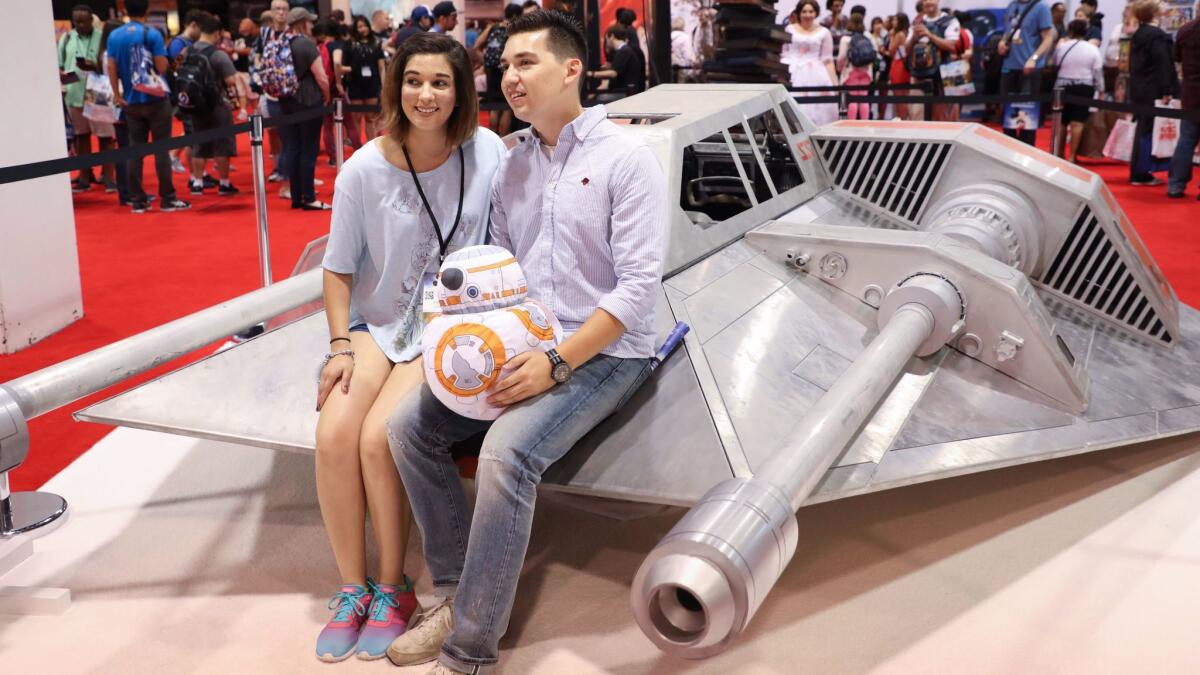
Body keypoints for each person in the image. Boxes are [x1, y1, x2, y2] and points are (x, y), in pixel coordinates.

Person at [385, 11, 667, 674]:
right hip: (525, 340)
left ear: (572, 69)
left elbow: (634, 293)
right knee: (408, 426)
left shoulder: (626, 159)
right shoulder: (511, 164)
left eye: (526, 63)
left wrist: (555, 361)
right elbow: (503, 270)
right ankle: (458, 589)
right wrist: (470, 337)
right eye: (505, 65)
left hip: (606, 351)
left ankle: (469, 649)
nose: (511, 77)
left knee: (508, 453)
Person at [314, 31, 504, 663]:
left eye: (441, 82)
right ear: (396, 86)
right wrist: (340, 345)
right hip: (377, 324)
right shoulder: (363, 168)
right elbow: (338, 267)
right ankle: (353, 586)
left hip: (447, 326)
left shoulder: (488, 153)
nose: (426, 94)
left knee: (381, 435)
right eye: (415, 80)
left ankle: (393, 587)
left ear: (461, 92)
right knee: (336, 431)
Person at [106, 0, 189, 213]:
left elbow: (111, 66)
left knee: (136, 150)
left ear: (124, 10)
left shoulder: (115, 35)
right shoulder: (152, 34)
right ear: (148, 10)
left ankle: (137, 200)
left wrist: (117, 94)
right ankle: (167, 198)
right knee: (161, 149)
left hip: (131, 101)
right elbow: (161, 67)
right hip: (155, 99)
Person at [278, 7, 332, 210]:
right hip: (309, 101)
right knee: (309, 149)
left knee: (293, 148)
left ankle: (296, 196)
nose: (312, 25)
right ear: (302, 23)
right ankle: (309, 197)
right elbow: (321, 77)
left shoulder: (281, 42)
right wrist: (326, 97)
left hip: (286, 101)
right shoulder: (306, 45)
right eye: (309, 22)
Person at [186, 12, 242, 197]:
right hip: (217, 105)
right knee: (222, 144)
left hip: (194, 105)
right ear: (217, 33)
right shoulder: (218, 54)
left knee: (198, 144)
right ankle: (224, 183)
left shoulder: (188, 51)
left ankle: (197, 181)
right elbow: (231, 80)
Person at [59, 5, 112, 193]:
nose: (80, 25)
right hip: (74, 94)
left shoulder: (103, 38)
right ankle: (84, 176)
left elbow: (109, 64)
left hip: (99, 94)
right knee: (81, 137)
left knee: (105, 137)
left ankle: (108, 176)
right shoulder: (66, 38)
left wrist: (94, 66)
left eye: (84, 21)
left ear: (92, 20)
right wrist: (63, 75)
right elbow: (59, 64)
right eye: (76, 22)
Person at [1127, 0, 1179, 186]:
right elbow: (1163, 64)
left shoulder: (1139, 34)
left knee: (1143, 128)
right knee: (1147, 131)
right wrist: (1167, 89)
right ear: (1154, 12)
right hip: (1153, 89)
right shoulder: (1158, 36)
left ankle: (1139, 170)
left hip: (1139, 87)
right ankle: (1142, 173)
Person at [997, 0, 1055, 145]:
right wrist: (1002, 42)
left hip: (1029, 68)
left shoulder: (1041, 7)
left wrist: (1034, 58)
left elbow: (1048, 38)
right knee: (1007, 117)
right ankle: (1007, 149)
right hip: (1009, 66)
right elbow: (1008, 31)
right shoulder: (1012, 6)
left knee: (1028, 118)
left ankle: (1026, 153)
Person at [1053, 18, 1104, 161]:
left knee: (1062, 121)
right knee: (1078, 122)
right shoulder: (1092, 49)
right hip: (1084, 87)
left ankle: (1059, 153)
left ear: (1070, 31)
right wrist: (1101, 90)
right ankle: (1072, 156)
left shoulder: (1061, 47)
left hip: (1062, 85)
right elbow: (1098, 72)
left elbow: (1055, 63)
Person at [784, 0, 839, 126]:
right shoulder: (789, 29)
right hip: (791, 70)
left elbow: (828, 60)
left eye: (811, 11)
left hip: (816, 73)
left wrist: (835, 84)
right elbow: (784, 52)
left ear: (816, 13)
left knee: (817, 109)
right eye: (804, 11)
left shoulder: (824, 32)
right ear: (799, 13)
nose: (807, 15)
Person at [336, 15, 386, 144]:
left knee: (371, 118)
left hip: (372, 85)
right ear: (355, 28)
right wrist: (345, 74)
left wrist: (384, 86)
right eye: (359, 26)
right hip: (354, 84)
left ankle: (372, 148)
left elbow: (381, 67)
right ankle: (358, 149)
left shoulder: (376, 43)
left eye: (365, 26)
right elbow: (341, 66)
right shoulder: (349, 44)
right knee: (356, 118)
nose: (363, 29)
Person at [907, 0, 960, 121]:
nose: (928, 2)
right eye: (925, 0)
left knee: (949, 116)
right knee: (917, 115)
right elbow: (907, 48)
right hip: (920, 72)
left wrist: (929, 35)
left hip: (949, 70)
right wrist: (914, 37)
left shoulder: (951, 20)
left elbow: (951, 46)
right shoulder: (917, 22)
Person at [475, 4, 523, 133]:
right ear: (515, 16)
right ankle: (504, 139)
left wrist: (485, 63)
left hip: (491, 72)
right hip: (505, 70)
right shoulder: (513, 30)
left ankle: (493, 136)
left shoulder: (493, 28)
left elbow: (477, 46)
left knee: (494, 108)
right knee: (507, 107)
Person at [1167, 14, 1199, 199]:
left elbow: (1176, 57)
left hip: (1191, 93)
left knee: (1186, 141)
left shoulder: (1185, 30)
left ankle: (1175, 184)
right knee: (1186, 140)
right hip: (1191, 93)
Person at [837, 13, 879, 119]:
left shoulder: (845, 39)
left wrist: (839, 69)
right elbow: (875, 55)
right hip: (866, 72)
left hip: (850, 72)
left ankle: (851, 125)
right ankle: (864, 124)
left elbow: (841, 57)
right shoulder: (869, 38)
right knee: (863, 99)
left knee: (852, 100)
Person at [587, 25, 646, 97]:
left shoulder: (624, 51)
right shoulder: (624, 50)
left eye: (606, 39)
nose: (606, 43)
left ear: (611, 36)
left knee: (600, 98)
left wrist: (591, 74)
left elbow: (613, 73)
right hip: (623, 91)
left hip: (623, 93)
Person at [887, 12, 913, 120]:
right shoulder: (907, 33)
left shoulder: (898, 34)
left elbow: (891, 50)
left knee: (899, 95)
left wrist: (891, 36)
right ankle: (906, 118)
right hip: (905, 65)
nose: (893, 22)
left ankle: (902, 119)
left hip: (898, 66)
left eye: (895, 20)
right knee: (905, 95)